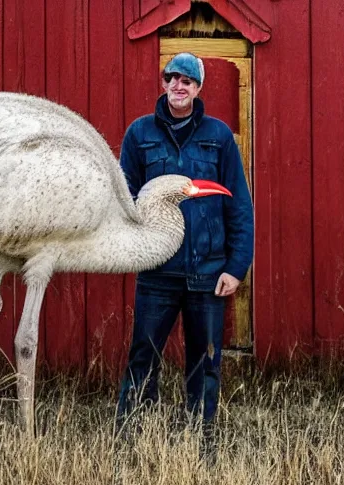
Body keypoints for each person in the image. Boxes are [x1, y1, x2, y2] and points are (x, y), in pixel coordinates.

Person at [117, 53, 254, 430]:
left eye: (188, 80)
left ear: (198, 88)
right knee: (143, 355)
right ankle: (133, 432)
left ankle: (201, 435)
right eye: (173, 78)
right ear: (163, 83)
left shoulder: (219, 136)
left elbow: (238, 204)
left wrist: (235, 266)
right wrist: (134, 247)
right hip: (157, 270)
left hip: (207, 271)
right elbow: (123, 198)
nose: (180, 85)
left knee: (205, 359)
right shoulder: (140, 134)